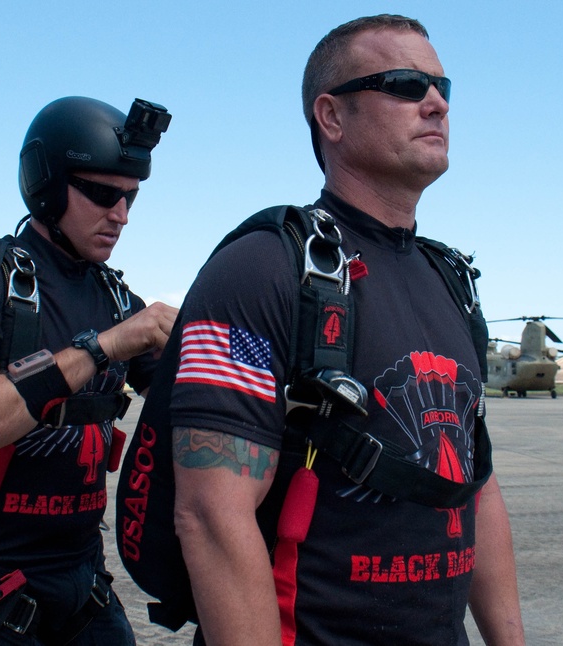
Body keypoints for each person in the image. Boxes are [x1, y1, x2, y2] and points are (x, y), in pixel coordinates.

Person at [166, 14, 525, 646]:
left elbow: (477, 485)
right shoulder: (262, 268)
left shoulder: (451, 279)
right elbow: (210, 515)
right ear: (331, 117)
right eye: (405, 84)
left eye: (443, 86)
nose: (436, 102)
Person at [0, 96, 178, 645]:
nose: (120, 215)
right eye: (101, 194)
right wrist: (102, 348)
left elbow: (204, 401)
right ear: (46, 185)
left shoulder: (117, 299)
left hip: (84, 586)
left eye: (130, 198)